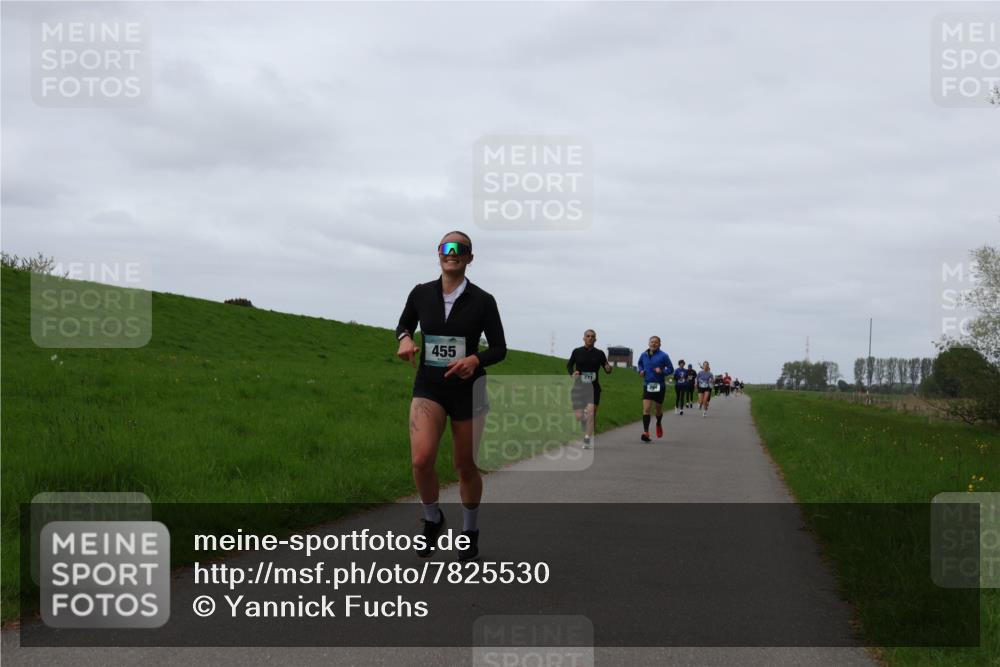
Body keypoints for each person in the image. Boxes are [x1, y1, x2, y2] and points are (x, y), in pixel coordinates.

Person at [396, 231, 506, 562]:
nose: (453, 252)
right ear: (439, 253)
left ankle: (470, 531)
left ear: (470, 257)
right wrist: (405, 339)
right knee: (421, 460)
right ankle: (432, 519)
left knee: (465, 465)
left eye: (461, 249)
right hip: (429, 386)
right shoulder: (421, 293)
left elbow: (499, 348)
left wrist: (475, 360)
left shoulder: (483, 300)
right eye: (447, 247)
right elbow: (404, 326)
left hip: (468, 391)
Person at [567, 329, 613, 449]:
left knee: (591, 413)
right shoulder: (577, 351)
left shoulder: (600, 353)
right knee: (579, 416)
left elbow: (607, 368)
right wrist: (572, 373)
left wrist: (608, 368)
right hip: (579, 387)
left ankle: (587, 438)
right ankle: (585, 422)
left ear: (595, 339)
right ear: (584, 338)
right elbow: (569, 365)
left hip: (593, 388)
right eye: (588, 336)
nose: (590, 338)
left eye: (592, 336)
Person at [636, 336, 673, 442]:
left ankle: (658, 423)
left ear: (659, 344)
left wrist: (662, 371)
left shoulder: (664, 356)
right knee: (646, 409)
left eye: (656, 342)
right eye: (652, 342)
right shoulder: (643, 355)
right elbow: (640, 364)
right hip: (647, 385)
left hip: (659, 386)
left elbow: (671, 369)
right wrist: (641, 371)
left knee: (658, 409)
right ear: (649, 343)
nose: (653, 344)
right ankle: (646, 432)